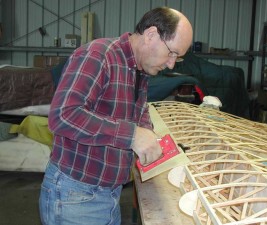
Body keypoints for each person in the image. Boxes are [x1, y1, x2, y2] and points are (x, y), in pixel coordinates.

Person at [39, 6, 193, 225]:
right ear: (151, 35)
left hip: (108, 195)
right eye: (172, 53)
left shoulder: (139, 69)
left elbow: (137, 118)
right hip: (76, 198)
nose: (170, 63)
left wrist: (158, 143)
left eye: (177, 58)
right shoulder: (98, 56)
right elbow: (63, 115)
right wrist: (132, 136)